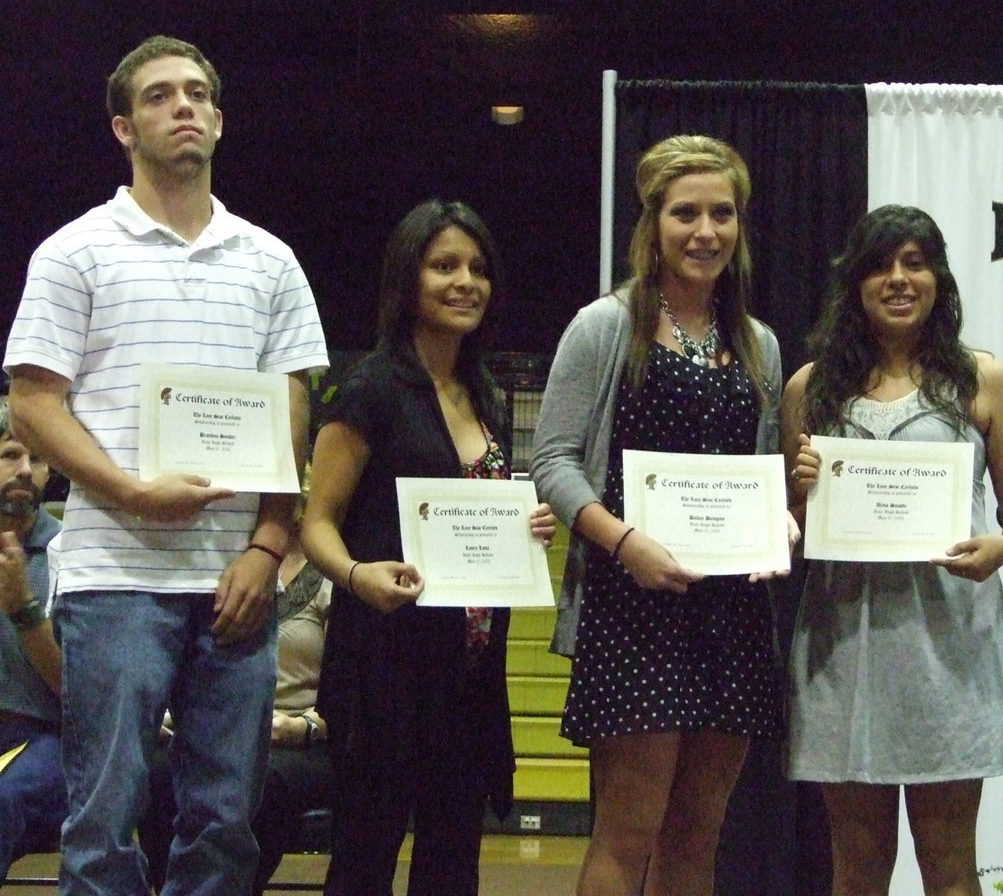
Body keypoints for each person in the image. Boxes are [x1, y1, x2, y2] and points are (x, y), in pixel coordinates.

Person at [3, 35, 328, 894]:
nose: (182, 106)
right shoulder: (73, 252)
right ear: (123, 126)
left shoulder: (272, 262)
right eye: (158, 96)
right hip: (113, 576)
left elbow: (294, 420)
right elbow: (34, 402)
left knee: (224, 822)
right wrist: (131, 493)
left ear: (218, 120)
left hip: (235, 582)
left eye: (196, 94)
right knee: (105, 819)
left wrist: (265, 548)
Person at [530, 134, 792, 895]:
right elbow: (553, 463)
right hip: (633, 605)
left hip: (731, 613)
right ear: (652, 223)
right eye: (686, 213)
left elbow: (761, 472)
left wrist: (781, 517)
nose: (704, 231)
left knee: (698, 835)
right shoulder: (603, 326)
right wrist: (624, 543)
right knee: (627, 833)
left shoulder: (759, 344)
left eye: (721, 213)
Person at [782, 204, 1003, 896]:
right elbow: (786, 529)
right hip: (846, 651)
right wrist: (798, 497)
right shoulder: (809, 390)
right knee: (858, 868)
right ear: (856, 284)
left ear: (938, 279)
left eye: (915, 263)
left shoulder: (984, 380)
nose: (899, 280)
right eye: (881, 265)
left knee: (950, 868)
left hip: (950, 648)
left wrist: (1001, 547)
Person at [301, 199, 556, 895]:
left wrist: (527, 529)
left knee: (452, 865)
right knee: (365, 859)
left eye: (477, 268)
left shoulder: (484, 394)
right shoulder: (373, 387)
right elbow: (316, 522)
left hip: (469, 678)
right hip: (385, 668)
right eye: (444, 266)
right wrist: (358, 575)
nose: (464, 281)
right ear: (407, 280)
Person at [141, 513, 333, 895]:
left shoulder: (328, 575)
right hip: (214, 719)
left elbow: (348, 691)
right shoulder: (214, 566)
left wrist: (306, 726)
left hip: (301, 731)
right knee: (160, 772)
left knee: (256, 780)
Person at [0, 399, 65, 880]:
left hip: (47, 738)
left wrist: (23, 606)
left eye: (36, 459)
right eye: (9, 455)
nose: (26, 471)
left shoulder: (70, 552)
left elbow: (78, 691)